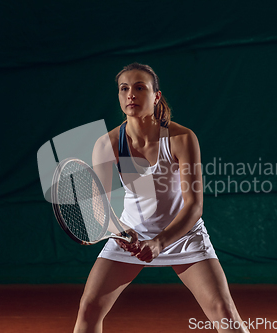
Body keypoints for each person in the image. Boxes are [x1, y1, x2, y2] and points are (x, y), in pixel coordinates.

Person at [73, 63, 250, 333]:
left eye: (139, 87)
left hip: (182, 235)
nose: (131, 94)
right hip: (130, 237)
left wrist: (160, 242)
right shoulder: (107, 145)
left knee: (223, 311)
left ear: (156, 96)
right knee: (89, 308)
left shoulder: (181, 138)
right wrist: (118, 230)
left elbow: (194, 206)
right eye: (124, 89)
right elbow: (102, 209)